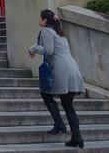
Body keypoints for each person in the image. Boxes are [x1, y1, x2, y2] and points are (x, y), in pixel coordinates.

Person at [29, 9, 86, 148]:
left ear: (45, 21)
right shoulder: (59, 32)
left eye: (40, 17)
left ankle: (60, 124)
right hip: (72, 69)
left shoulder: (47, 31)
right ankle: (76, 137)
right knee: (68, 106)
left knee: (45, 93)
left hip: (61, 71)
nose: (39, 19)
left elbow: (49, 50)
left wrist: (33, 48)